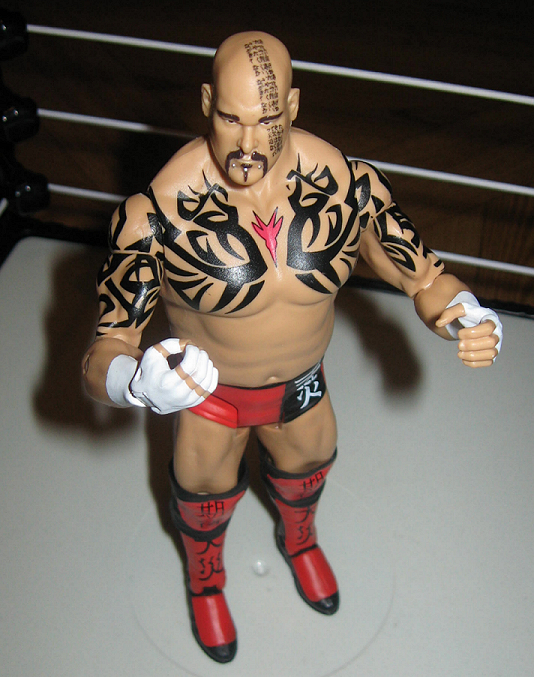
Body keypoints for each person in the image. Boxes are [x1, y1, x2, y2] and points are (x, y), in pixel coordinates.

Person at [82, 31, 502, 663]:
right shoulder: (156, 216)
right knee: (202, 498)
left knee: (308, 470)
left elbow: (424, 276)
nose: (248, 144)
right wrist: (134, 381)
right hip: (210, 399)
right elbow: (105, 349)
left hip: (303, 387)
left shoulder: (348, 187)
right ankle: (205, 582)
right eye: (231, 118)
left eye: (267, 120)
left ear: (295, 106)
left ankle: (300, 541)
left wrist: (465, 314)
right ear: (206, 103)